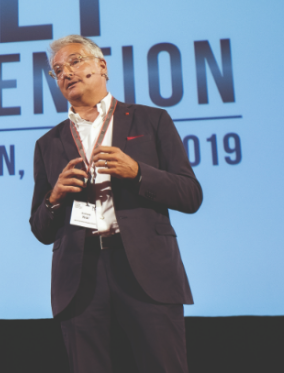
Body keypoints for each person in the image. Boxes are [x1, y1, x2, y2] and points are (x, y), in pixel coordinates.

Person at [30, 35, 202, 373]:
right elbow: (40, 229)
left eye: (75, 61)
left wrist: (138, 172)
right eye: (57, 71)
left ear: (102, 66)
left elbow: (190, 194)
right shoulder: (48, 143)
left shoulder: (151, 120)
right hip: (80, 279)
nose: (66, 73)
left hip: (145, 271)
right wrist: (54, 198)